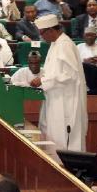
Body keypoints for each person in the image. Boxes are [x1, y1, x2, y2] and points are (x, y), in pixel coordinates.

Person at [31, 14, 87, 151]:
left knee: (65, 142)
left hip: (66, 102)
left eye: (42, 33)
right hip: (55, 98)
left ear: (51, 30)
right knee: (53, 139)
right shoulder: (55, 44)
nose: (42, 37)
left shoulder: (65, 45)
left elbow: (70, 75)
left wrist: (43, 80)